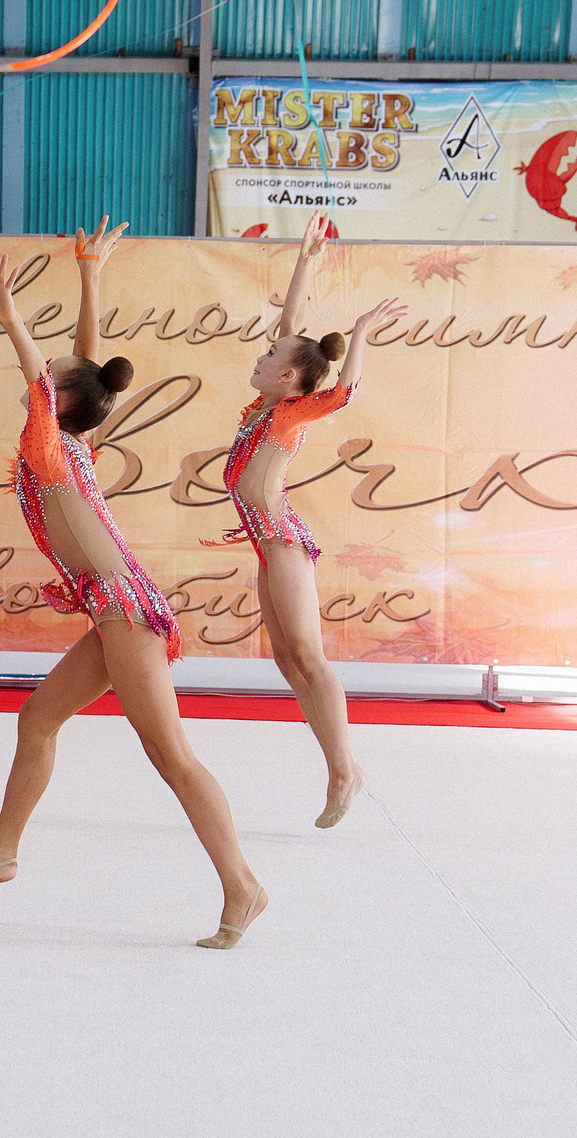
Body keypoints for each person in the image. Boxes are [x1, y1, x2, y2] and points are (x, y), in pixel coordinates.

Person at [0, 245, 267, 950]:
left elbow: (49, 380)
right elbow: (84, 370)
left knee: (171, 754)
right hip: (111, 608)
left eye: (48, 384)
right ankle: (2, 851)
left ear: (56, 403)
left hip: (126, 610)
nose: (42, 381)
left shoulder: (52, 444)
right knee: (36, 720)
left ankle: (243, 883)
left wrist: (10, 316)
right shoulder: (74, 440)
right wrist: (90, 278)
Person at [222, 213, 405, 830]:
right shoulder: (264, 404)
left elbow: (344, 392)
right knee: (284, 657)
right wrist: (306, 260)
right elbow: (290, 328)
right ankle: (338, 763)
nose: (263, 350)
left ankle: (344, 770)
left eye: (271, 354)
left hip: (284, 544)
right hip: (267, 549)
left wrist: (358, 336)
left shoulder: (287, 415)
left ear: (289, 377)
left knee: (306, 653)